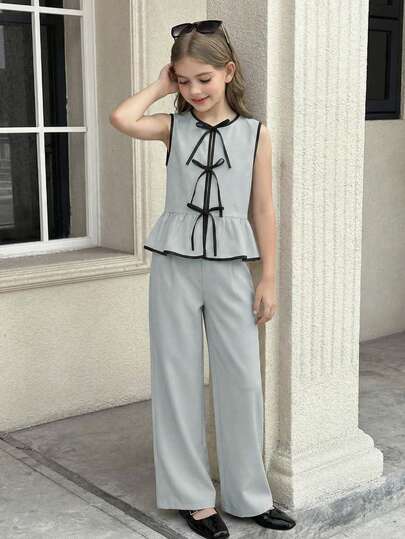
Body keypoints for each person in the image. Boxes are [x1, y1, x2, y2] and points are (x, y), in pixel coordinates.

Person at [110, 19, 296, 539]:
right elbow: (122, 117)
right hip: (174, 266)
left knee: (242, 380)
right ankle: (192, 498)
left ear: (228, 71)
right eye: (184, 80)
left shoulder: (255, 133)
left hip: (232, 269)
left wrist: (269, 278)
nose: (194, 90)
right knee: (176, 378)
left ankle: (248, 495)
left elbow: (263, 210)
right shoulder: (172, 127)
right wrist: (159, 85)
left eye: (204, 79)